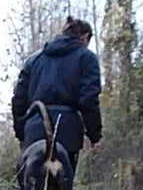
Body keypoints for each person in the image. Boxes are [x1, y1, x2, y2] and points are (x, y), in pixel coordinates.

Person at [11, 16, 102, 172]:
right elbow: (88, 100)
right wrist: (95, 136)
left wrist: (22, 135)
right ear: (85, 37)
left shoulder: (34, 60)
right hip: (68, 133)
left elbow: (19, 101)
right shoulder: (87, 58)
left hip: (34, 132)